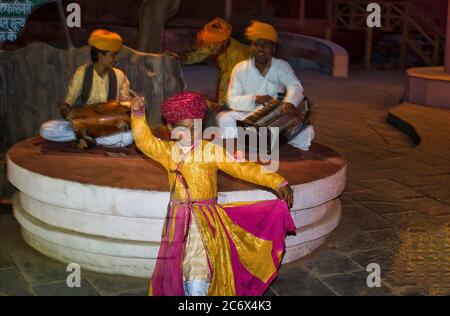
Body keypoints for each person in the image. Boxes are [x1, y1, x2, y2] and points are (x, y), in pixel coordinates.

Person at [130, 91, 296, 296]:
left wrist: (277, 181)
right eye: (184, 128)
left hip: (205, 219)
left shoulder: (211, 150)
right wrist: (138, 114)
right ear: (171, 128)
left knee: (197, 262)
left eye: (196, 127)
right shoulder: (166, 152)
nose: (191, 133)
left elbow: (243, 168)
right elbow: (144, 141)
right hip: (177, 222)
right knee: (179, 264)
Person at [217, 21, 315, 150]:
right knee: (224, 118)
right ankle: (237, 150)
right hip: (246, 115)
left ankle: (270, 146)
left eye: (266, 45)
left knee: (308, 132)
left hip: (274, 116)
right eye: (257, 44)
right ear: (250, 48)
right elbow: (232, 100)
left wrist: (289, 103)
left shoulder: (281, 66)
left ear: (273, 49)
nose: (261, 49)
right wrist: (255, 99)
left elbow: (295, 86)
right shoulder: (240, 68)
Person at [40, 29, 133, 149]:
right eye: (112, 55)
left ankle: (90, 141)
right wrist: (73, 121)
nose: (115, 59)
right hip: (84, 126)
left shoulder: (119, 75)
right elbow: (66, 105)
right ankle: (87, 138)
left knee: (129, 136)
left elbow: (126, 106)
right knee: (46, 129)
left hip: (109, 128)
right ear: (101, 55)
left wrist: (134, 106)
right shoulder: (82, 73)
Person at [167, 18, 250, 111]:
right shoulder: (219, 45)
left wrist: (223, 105)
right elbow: (199, 54)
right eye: (209, 42)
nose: (211, 47)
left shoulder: (238, 54)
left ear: (226, 40)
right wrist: (182, 57)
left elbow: (231, 82)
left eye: (214, 43)